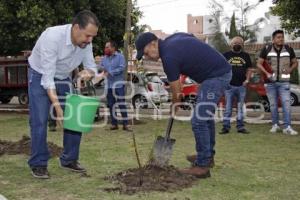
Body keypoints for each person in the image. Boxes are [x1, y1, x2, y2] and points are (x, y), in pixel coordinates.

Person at [135, 32, 232, 178]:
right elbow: (191, 38)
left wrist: (174, 107)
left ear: (153, 43)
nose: (146, 56)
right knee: (205, 118)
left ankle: (202, 166)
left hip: (216, 76)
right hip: (215, 74)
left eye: (146, 52)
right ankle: (207, 156)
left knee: (198, 120)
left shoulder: (168, 57)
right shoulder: (173, 39)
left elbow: (177, 92)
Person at [28, 10, 99, 179]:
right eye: (87, 36)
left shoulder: (86, 43)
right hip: (40, 75)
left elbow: (91, 66)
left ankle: (69, 160)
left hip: (64, 77)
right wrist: (58, 109)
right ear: (76, 28)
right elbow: (47, 78)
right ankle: (38, 163)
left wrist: (87, 72)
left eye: (92, 37)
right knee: (40, 120)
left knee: (74, 119)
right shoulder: (52, 37)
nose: (90, 41)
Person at [257, 30, 298, 135]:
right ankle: (275, 125)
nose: (281, 39)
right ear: (273, 39)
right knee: (273, 105)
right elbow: (259, 63)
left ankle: (287, 127)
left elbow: (295, 62)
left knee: (286, 104)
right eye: (279, 37)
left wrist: (290, 69)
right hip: (270, 83)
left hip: (284, 82)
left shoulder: (289, 49)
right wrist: (266, 73)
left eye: (282, 37)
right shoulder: (266, 49)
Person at [220, 36, 252, 134]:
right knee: (228, 108)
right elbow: (220, 69)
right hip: (229, 86)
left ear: (242, 45)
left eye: (239, 43)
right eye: (234, 43)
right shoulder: (225, 55)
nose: (236, 44)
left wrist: (247, 80)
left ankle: (240, 127)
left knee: (240, 108)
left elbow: (249, 69)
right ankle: (225, 127)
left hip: (241, 86)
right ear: (231, 44)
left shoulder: (246, 56)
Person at [99, 41, 132, 132]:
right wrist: (102, 69)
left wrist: (110, 72)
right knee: (111, 105)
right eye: (105, 47)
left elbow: (122, 68)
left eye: (107, 47)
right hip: (108, 86)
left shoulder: (120, 57)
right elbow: (100, 66)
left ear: (113, 48)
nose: (105, 49)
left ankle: (126, 125)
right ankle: (114, 124)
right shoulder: (104, 58)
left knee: (121, 104)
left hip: (118, 85)